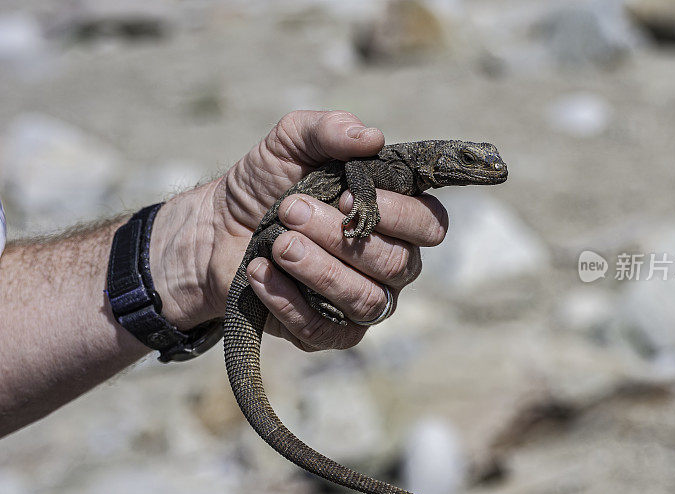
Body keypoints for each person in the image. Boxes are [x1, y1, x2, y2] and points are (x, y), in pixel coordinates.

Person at [0, 110, 449, 437]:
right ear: (439, 160)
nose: (489, 170)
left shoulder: (403, 170)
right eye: (470, 161)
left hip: (253, 248)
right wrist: (366, 206)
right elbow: (354, 166)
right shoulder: (392, 165)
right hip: (271, 239)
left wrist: (196, 255)